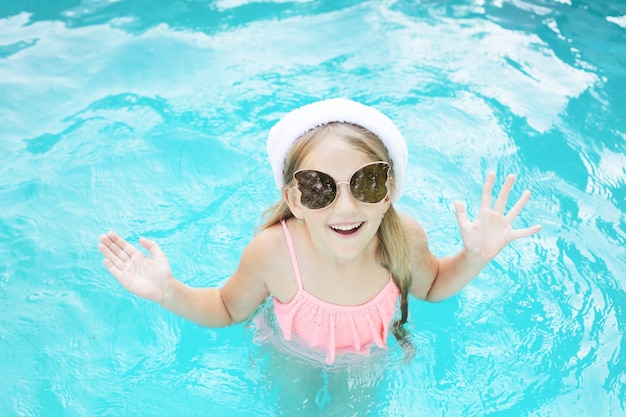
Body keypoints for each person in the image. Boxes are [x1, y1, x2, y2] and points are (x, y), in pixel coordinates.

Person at [98, 98, 541, 365]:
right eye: (318, 188)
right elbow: (228, 310)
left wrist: (477, 256)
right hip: (288, 353)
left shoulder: (402, 238)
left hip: (366, 361)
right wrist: (168, 291)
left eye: (367, 182)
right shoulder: (274, 252)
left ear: (389, 191)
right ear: (294, 200)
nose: (345, 207)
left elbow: (436, 284)